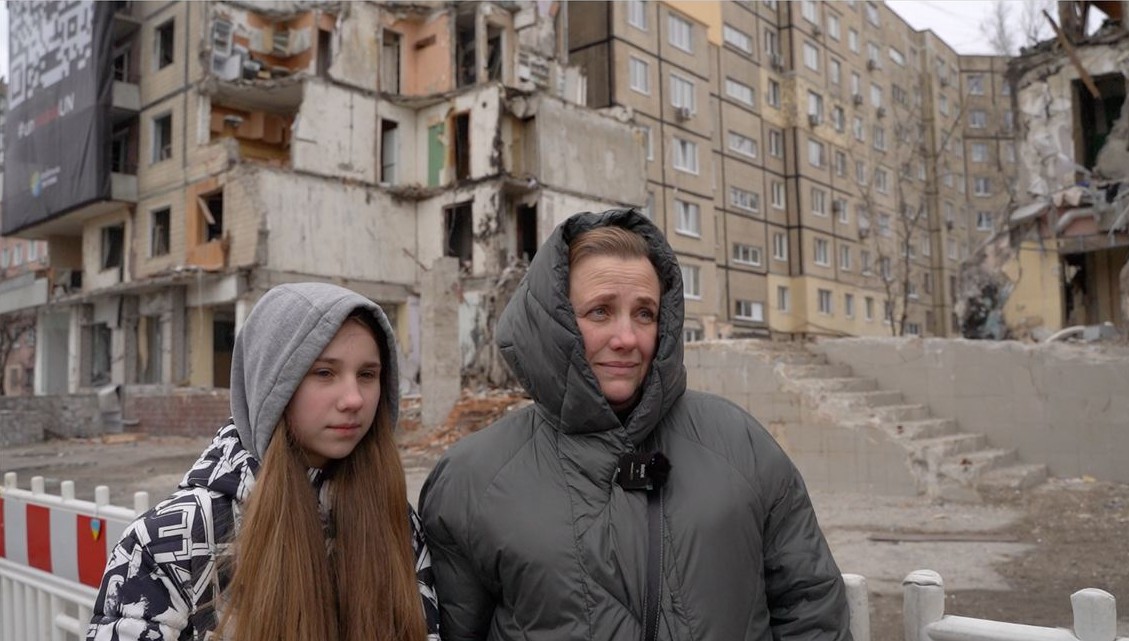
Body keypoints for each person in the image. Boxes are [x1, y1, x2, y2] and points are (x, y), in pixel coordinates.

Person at [420, 209, 850, 640]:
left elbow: (810, 607)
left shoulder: (740, 444)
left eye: (644, 313)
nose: (627, 337)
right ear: (555, 323)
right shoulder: (471, 480)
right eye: (601, 312)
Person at [88, 282, 441, 641]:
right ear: (269, 383)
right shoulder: (171, 539)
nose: (353, 398)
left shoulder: (394, 518)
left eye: (367, 375)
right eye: (324, 373)